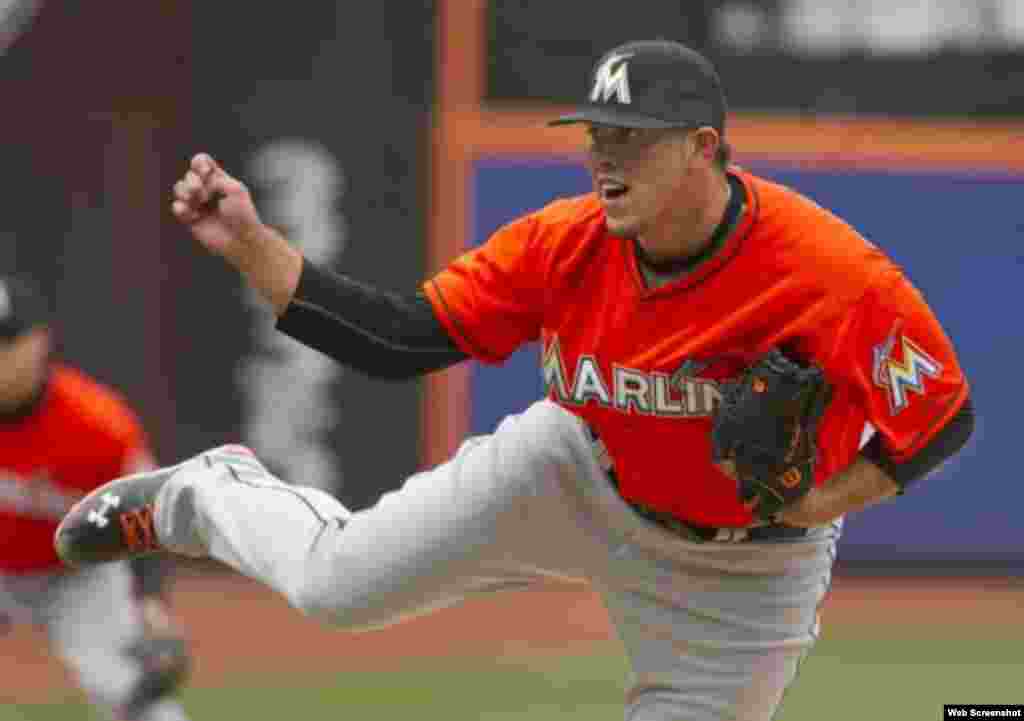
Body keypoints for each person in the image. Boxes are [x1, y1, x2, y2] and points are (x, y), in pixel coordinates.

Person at [56, 40, 974, 721]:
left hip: (743, 566)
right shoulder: (564, 242)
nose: (605, 157)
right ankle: (209, 494)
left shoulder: (829, 274)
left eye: (635, 139)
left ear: (704, 148)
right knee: (339, 585)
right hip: (578, 470)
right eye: (597, 134)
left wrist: (819, 501)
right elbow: (400, 339)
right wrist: (254, 244)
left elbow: (941, 422)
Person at [0, 273, 192, 721]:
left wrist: (150, 600)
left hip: (78, 573)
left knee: (124, 684)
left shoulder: (98, 424)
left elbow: (149, 513)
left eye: (7, 340)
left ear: (40, 341)